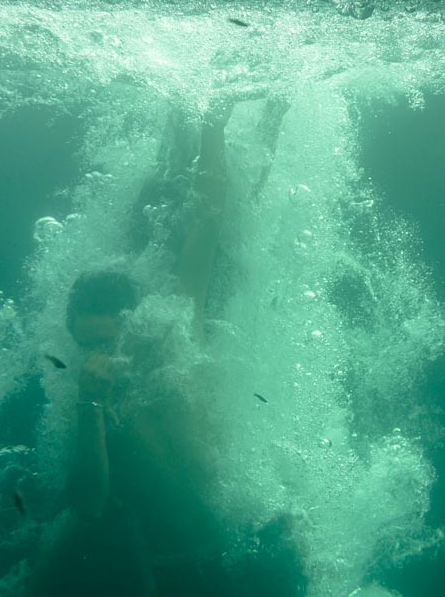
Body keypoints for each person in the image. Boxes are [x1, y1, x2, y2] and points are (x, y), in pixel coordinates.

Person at [25, 100, 302, 597]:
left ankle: (222, 108)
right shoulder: (89, 401)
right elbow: (87, 504)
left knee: (220, 224)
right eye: (85, 343)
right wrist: (90, 405)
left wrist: (214, 120)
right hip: (178, 569)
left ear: (132, 328)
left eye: (106, 341)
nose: (95, 354)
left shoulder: (173, 338)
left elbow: (209, 219)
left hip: (260, 542)